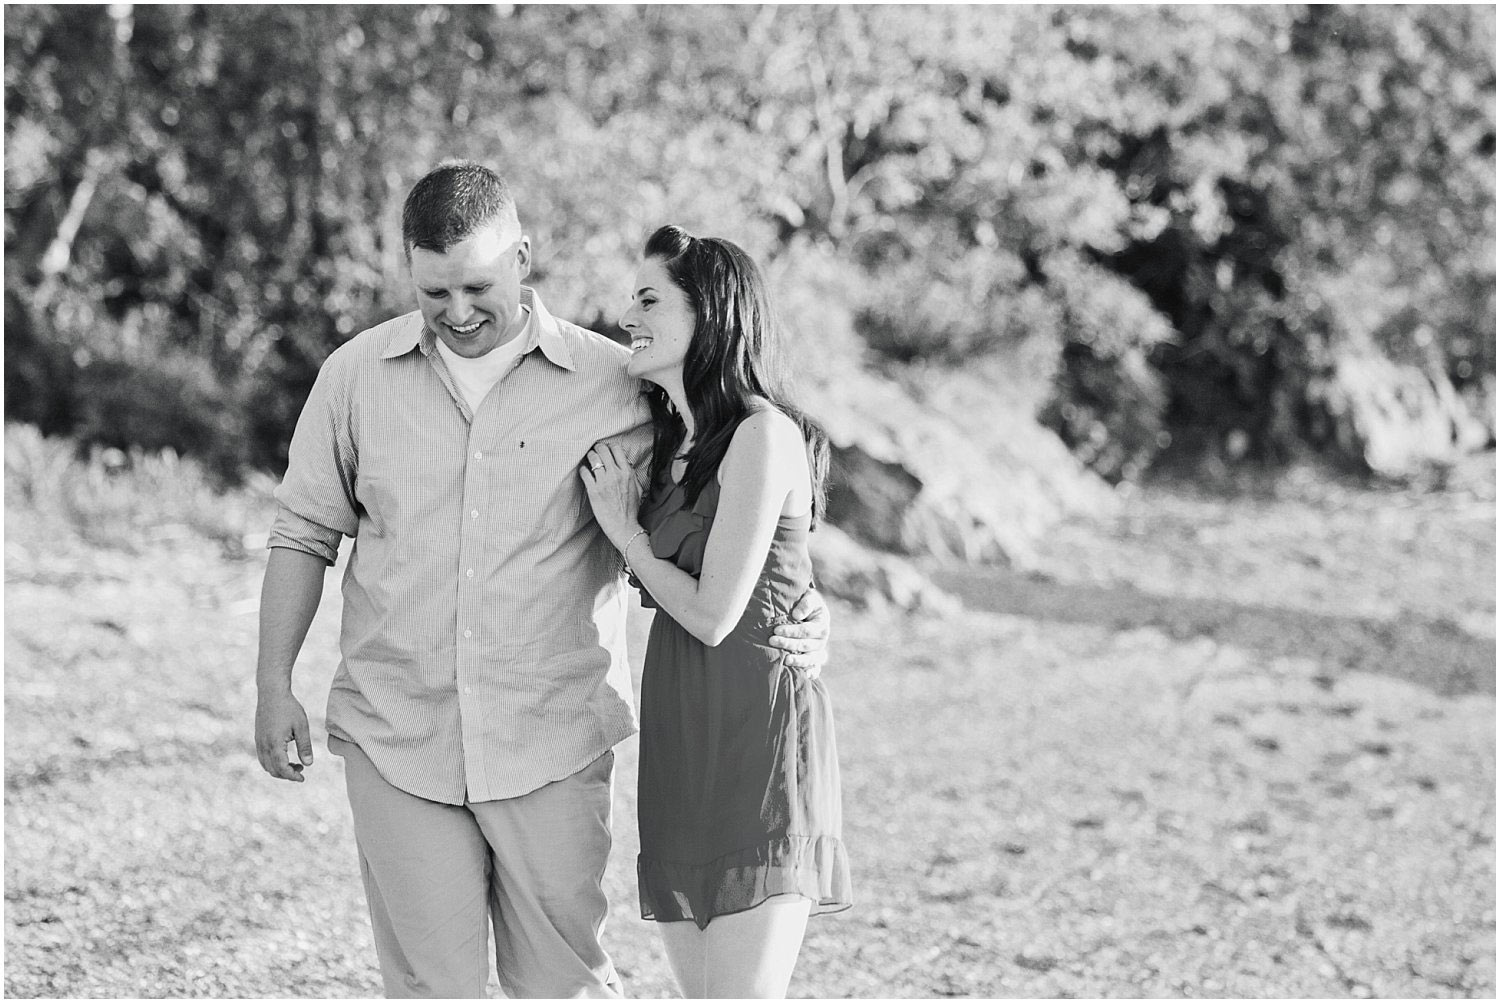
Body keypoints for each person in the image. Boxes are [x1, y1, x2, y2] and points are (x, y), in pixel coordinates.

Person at [252, 163, 832, 1000]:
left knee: (563, 986)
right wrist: (275, 683)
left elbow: (738, 476)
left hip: (552, 742)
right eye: (433, 291)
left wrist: (806, 606)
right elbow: (302, 532)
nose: (457, 313)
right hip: (398, 732)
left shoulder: (620, 384)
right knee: (429, 988)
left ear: (522, 257)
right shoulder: (354, 377)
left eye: (477, 286)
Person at [580, 225, 852, 999]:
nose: (627, 314)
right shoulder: (670, 441)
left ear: (712, 313)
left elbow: (712, 612)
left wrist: (627, 532)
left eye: (648, 299)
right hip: (680, 735)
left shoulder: (763, 435)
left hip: (756, 735)